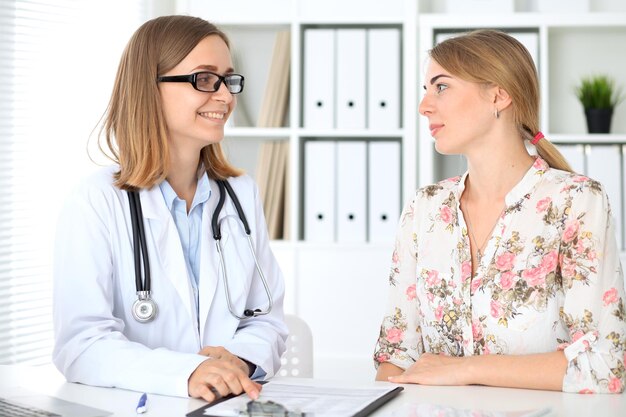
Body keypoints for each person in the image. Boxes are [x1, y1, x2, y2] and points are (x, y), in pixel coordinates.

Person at [373, 29, 626, 394]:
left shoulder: (577, 201)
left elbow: (605, 366)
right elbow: (396, 356)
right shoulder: (424, 208)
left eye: (441, 87)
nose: (424, 105)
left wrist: (464, 370)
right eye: (425, 89)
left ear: (499, 95)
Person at [53, 15, 288, 402]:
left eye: (228, 79)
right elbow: (81, 344)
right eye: (205, 79)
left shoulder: (241, 195)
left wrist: (239, 361)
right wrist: (187, 372)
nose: (226, 97)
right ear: (150, 88)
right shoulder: (96, 201)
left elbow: (266, 320)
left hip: (226, 404)